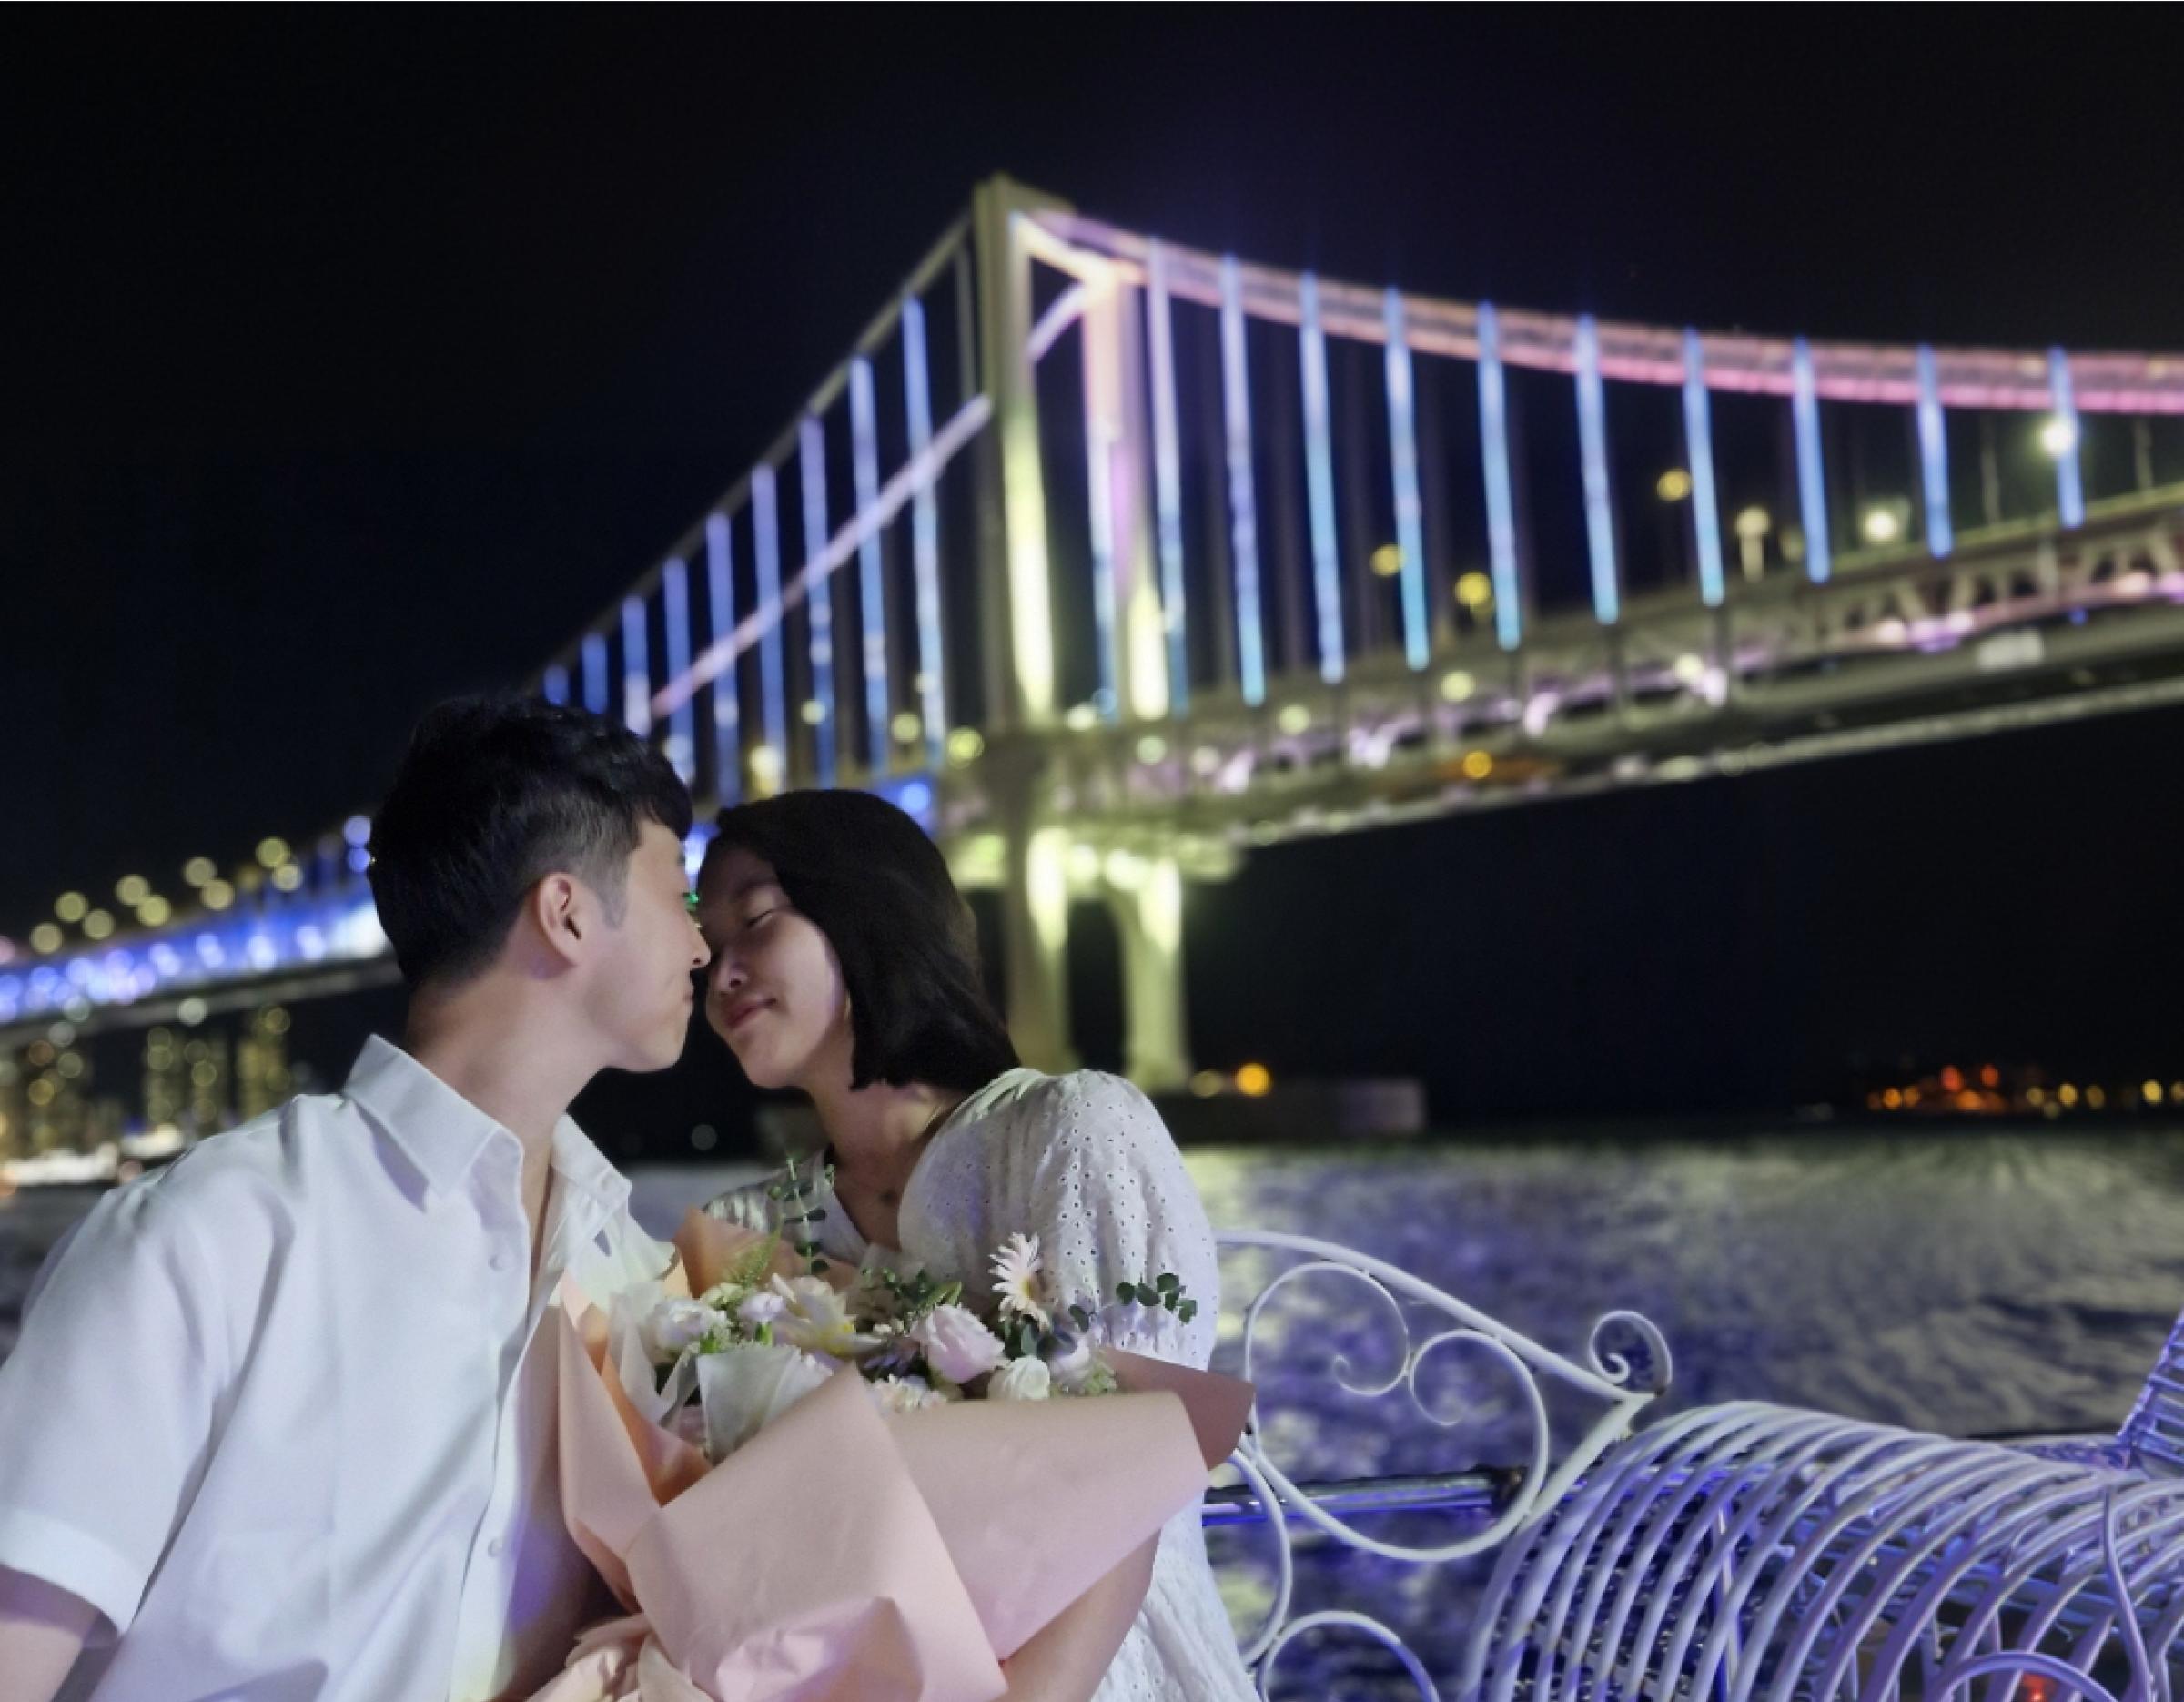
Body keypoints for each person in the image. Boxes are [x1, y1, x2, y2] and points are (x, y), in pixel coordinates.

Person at [0, 696, 712, 1702]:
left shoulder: (636, 1275)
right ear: (566, 911)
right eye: (677, 893)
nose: (699, 945)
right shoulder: (212, 1238)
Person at [693, 790, 1255, 1702]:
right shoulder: (750, 1232)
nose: (721, 973)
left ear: (869, 909)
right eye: (706, 946)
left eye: (755, 920)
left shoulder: (1070, 1134)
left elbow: (1133, 1475)